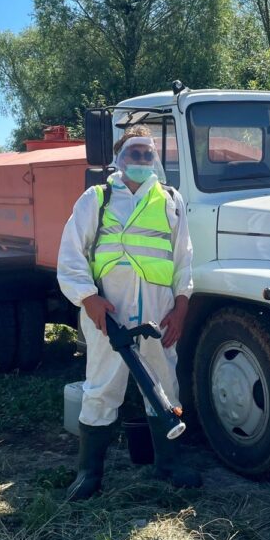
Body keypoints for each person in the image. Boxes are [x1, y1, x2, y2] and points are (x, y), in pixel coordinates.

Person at [57, 125, 202, 499]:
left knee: (164, 387)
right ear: (118, 160)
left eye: (145, 154)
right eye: (132, 154)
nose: (139, 160)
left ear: (154, 159)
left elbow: (184, 256)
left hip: (158, 314)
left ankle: (169, 466)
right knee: (103, 387)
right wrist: (88, 299)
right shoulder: (97, 198)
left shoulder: (171, 199)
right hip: (108, 313)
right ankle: (89, 474)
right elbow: (72, 253)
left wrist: (182, 304)